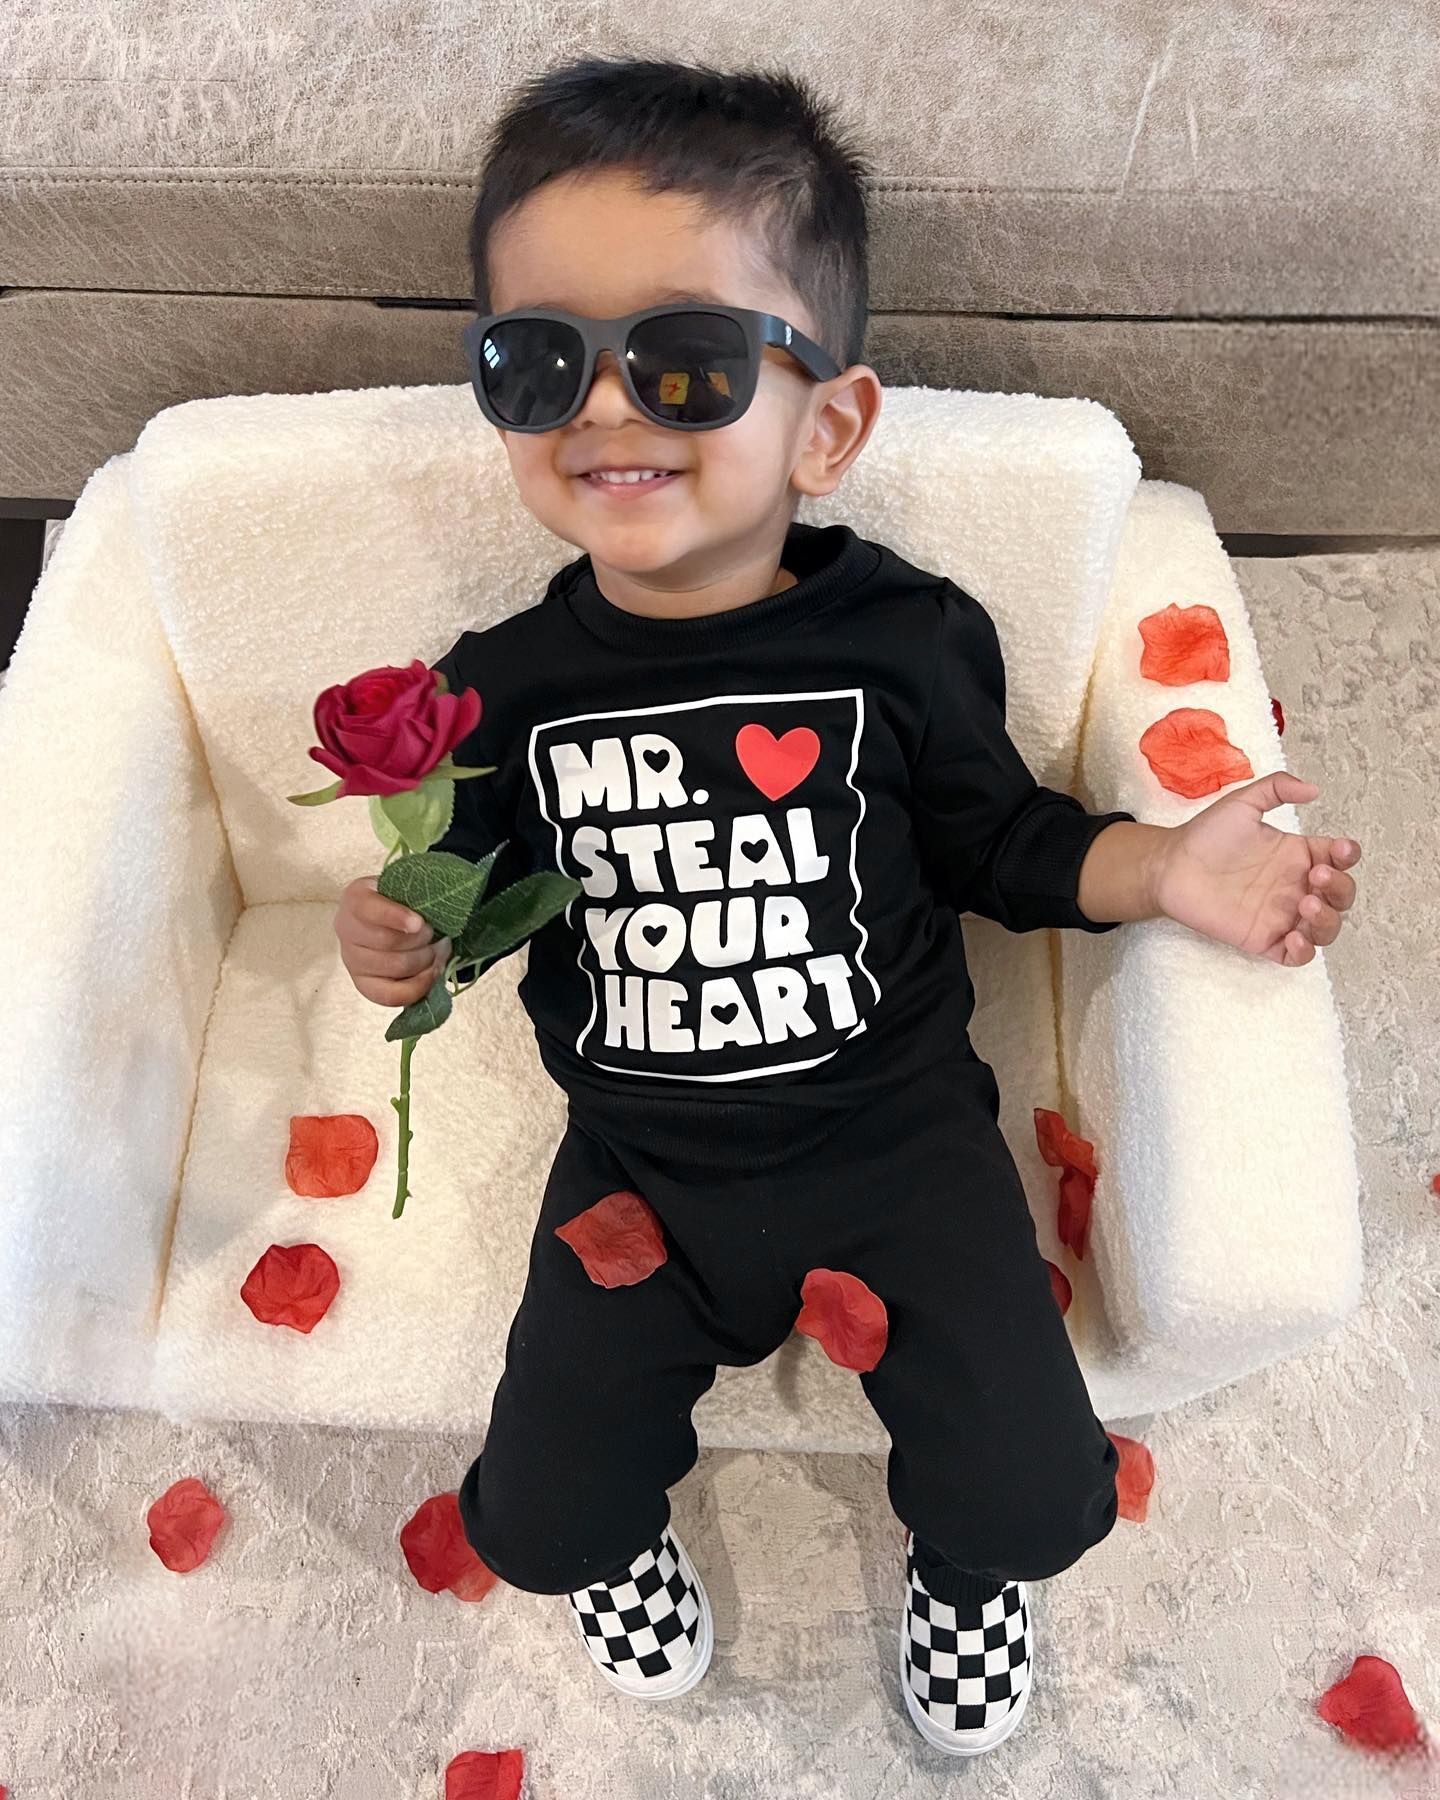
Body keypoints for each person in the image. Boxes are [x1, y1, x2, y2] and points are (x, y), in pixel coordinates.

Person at [333, 55, 1363, 1758]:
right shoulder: (495, 689)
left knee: (1039, 1496)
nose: (605, 407)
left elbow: (1004, 842)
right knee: (535, 1515)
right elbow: (490, 895)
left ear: (828, 422)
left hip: (899, 1149)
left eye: (683, 360)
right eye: (536, 361)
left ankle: (961, 1562)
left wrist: (1172, 867)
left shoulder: (901, 643)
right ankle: (618, 1534)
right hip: (642, 1166)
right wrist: (412, 941)